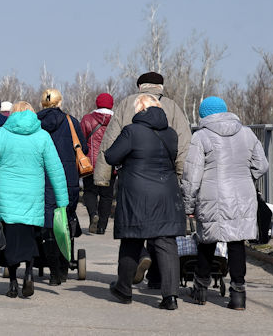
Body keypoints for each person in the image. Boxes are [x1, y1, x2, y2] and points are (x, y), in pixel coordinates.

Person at [95, 72, 192, 289]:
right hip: (165, 182)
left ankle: (131, 274)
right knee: (164, 236)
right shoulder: (173, 108)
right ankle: (162, 285)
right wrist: (180, 178)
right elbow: (185, 145)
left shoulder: (127, 104)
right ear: (161, 87)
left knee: (134, 232)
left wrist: (102, 178)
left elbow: (109, 142)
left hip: (133, 181)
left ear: (140, 86)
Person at [181, 96, 269, 310]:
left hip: (212, 195)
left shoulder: (201, 136)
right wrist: (246, 178)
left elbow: (192, 175)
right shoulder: (246, 133)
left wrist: (188, 205)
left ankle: (200, 288)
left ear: (204, 115)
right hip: (243, 195)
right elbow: (262, 165)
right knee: (237, 243)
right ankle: (238, 294)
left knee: (207, 240)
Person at [0, 101, 68, 298]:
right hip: (32, 196)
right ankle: (29, 273)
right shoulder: (42, 136)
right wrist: (62, 200)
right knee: (29, 236)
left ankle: (12, 283)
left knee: (9, 239)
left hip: (5, 195)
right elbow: (55, 168)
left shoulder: (0, 134)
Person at [105, 94, 185, 310]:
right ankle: (170, 298)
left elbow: (111, 157)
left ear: (139, 110)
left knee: (132, 240)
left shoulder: (131, 131)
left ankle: (124, 289)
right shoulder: (171, 134)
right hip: (166, 193)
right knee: (167, 243)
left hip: (136, 193)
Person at [36, 88, 87, 285]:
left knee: (45, 223)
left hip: (42, 180)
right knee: (65, 221)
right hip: (67, 179)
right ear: (59, 102)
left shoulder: (35, 123)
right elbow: (82, 148)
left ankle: (49, 266)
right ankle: (63, 267)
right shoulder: (71, 122)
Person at [80, 93, 114, 234]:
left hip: (90, 163)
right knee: (106, 195)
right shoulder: (116, 120)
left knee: (90, 192)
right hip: (109, 163)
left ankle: (93, 213)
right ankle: (102, 227)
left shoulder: (87, 119)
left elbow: (81, 141)